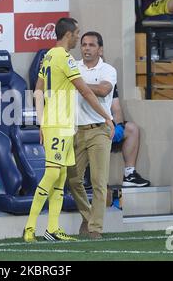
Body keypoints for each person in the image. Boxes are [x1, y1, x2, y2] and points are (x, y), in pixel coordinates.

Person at [23, 18, 115, 243]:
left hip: (61, 125)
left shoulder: (47, 56)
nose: (79, 39)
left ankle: (53, 228)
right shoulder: (65, 58)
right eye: (77, 34)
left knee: (62, 176)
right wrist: (107, 117)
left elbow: (37, 90)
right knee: (53, 174)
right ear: (68, 35)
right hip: (60, 124)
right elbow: (86, 92)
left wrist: (41, 122)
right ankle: (29, 228)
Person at [66, 31, 116, 239]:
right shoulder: (73, 67)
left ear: (100, 49)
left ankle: (95, 228)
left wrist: (79, 85)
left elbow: (104, 90)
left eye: (92, 45)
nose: (86, 48)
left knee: (98, 180)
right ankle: (88, 217)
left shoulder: (108, 70)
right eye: (84, 44)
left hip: (99, 131)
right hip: (76, 131)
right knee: (73, 178)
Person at [111, 86, 151, 187]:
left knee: (132, 129)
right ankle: (86, 176)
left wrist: (119, 126)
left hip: (106, 124)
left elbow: (116, 108)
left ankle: (129, 175)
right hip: (87, 125)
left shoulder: (108, 75)